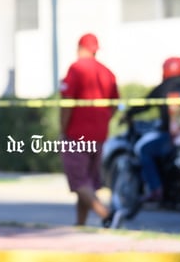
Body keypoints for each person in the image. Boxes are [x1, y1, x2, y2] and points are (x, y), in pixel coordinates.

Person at [59, 33, 119, 227]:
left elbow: (67, 103)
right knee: (87, 184)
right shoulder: (108, 72)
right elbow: (115, 105)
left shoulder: (76, 68)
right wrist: (103, 120)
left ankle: (107, 215)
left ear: (79, 48)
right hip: (99, 136)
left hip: (76, 134)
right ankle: (80, 225)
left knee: (79, 183)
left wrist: (62, 129)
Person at [124, 56, 180, 203]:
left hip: (174, 139)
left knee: (144, 150)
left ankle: (155, 189)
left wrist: (128, 114)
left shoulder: (164, 88)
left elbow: (144, 105)